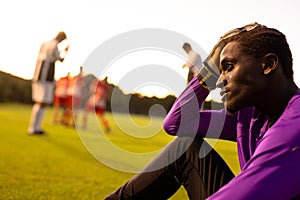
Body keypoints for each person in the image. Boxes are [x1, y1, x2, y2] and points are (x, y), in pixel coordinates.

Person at [105, 23, 300, 199]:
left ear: (268, 65)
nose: (220, 79)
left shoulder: (296, 119)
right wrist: (207, 74)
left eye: (229, 67)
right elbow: (177, 123)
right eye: (219, 71)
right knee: (186, 148)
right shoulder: (249, 117)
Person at [28, 31, 69, 135]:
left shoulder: (45, 43)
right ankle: (35, 128)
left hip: (38, 74)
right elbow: (60, 59)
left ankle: (35, 128)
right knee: (43, 102)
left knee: (39, 102)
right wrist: (65, 51)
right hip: (45, 76)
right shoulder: (54, 46)